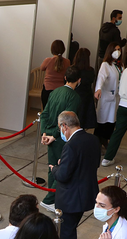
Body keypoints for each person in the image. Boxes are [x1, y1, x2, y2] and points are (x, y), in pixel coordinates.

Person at [49, 111, 101, 239]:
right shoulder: (93, 139)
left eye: (60, 128)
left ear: (64, 126)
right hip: (87, 193)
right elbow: (93, 164)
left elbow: (63, 175)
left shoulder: (70, 145)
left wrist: (55, 168)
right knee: (69, 231)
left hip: (70, 199)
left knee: (67, 234)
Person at [39, 66, 82, 212]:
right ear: (79, 80)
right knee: (62, 170)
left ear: (65, 78)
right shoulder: (75, 97)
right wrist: (55, 135)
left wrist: (44, 133)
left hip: (50, 135)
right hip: (62, 137)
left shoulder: (55, 92)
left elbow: (44, 114)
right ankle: (50, 199)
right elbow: (67, 122)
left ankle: (52, 198)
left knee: (52, 168)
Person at [93, 42, 123, 149]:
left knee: (111, 121)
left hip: (116, 97)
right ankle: (97, 142)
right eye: (115, 49)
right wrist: (98, 89)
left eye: (119, 49)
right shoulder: (106, 65)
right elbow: (101, 77)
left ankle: (105, 141)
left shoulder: (120, 66)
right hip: (106, 96)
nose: (117, 52)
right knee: (102, 120)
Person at [39, 40, 70, 110]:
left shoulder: (48, 60)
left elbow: (41, 68)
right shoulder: (67, 62)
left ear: (52, 49)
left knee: (46, 111)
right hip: (60, 91)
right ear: (63, 49)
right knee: (57, 112)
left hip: (47, 90)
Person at [72, 48, 97, 130]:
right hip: (87, 97)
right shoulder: (90, 71)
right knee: (83, 121)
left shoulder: (73, 70)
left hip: (74, 95)